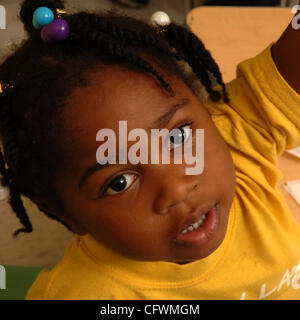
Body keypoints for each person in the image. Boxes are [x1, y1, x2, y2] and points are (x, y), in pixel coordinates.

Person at [0, 0, 299, 300]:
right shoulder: (87, 294)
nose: (177, 189)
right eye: (119, 182)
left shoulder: (239, 140)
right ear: (65, 215)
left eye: (178, 137)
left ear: (204, 109)